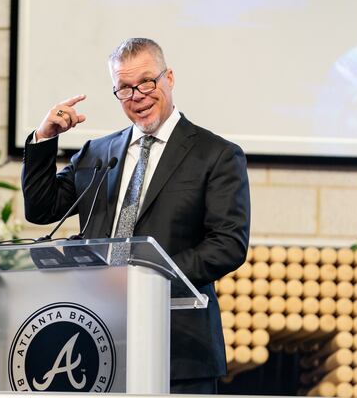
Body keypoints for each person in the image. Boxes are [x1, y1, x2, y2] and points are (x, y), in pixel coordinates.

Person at [21, 37, 250, 394]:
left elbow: (228, 245)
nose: (138, 95)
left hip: (179, 347)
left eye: (146, 82)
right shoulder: (98, 152)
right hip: (97, 341)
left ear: (169, 78)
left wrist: (146, 280)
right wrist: (44, 138)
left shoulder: (216, 155)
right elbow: (41, 208)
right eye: (124, 89)